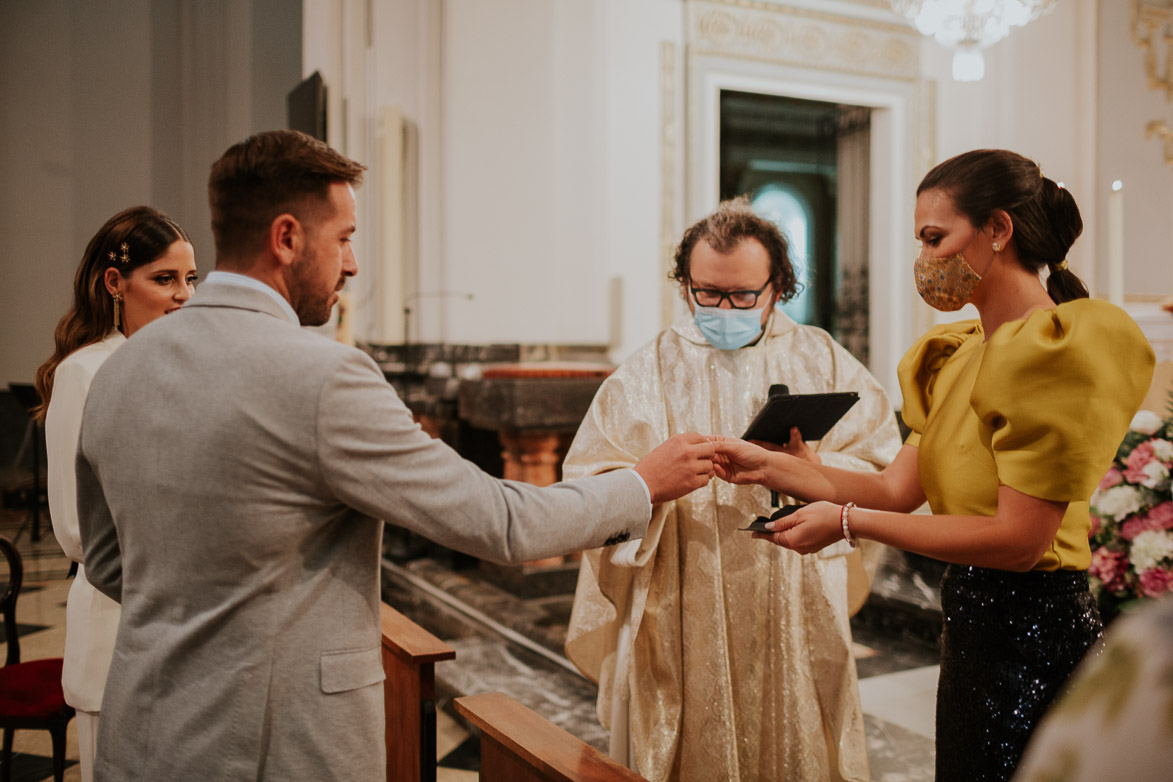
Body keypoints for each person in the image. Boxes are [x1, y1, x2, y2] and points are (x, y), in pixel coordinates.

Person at [74, 129, 716, 781]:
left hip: (144, 737)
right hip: (276, 750)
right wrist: (640, 484)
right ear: (287, 238)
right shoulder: (322, 376)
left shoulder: (120, 371)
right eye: (345, 237)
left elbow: (104, 562)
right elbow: (501, 522)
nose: (352, 264)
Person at [711, 149, 1156, 781]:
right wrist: (782, 468)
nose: (926, 261)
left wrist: (844, 523)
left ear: (997, 229)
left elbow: (1019, 541)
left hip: (1036, 632)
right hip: (973, 625)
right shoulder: (958, 353)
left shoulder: (1054, 350)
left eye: (934, 239)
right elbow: (895, 489)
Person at [563, 198, 901, 781]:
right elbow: (588, 484)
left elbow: (885, 465)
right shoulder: (644, 375)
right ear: (686, 283)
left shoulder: (820, 358)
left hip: (794, 594)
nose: (724, 308)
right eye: (707, 292)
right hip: (684, 595)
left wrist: (811, 467)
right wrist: (652, 485)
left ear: (778, 287)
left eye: (743, 295)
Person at [34, 206, 196, 782]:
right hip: (114, 622)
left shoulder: (174, 367)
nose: (183, 295)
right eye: (164, 279)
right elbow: (76, 528)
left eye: (189, 279)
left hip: (177, 628)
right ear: (114, 283)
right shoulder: (86, 373)